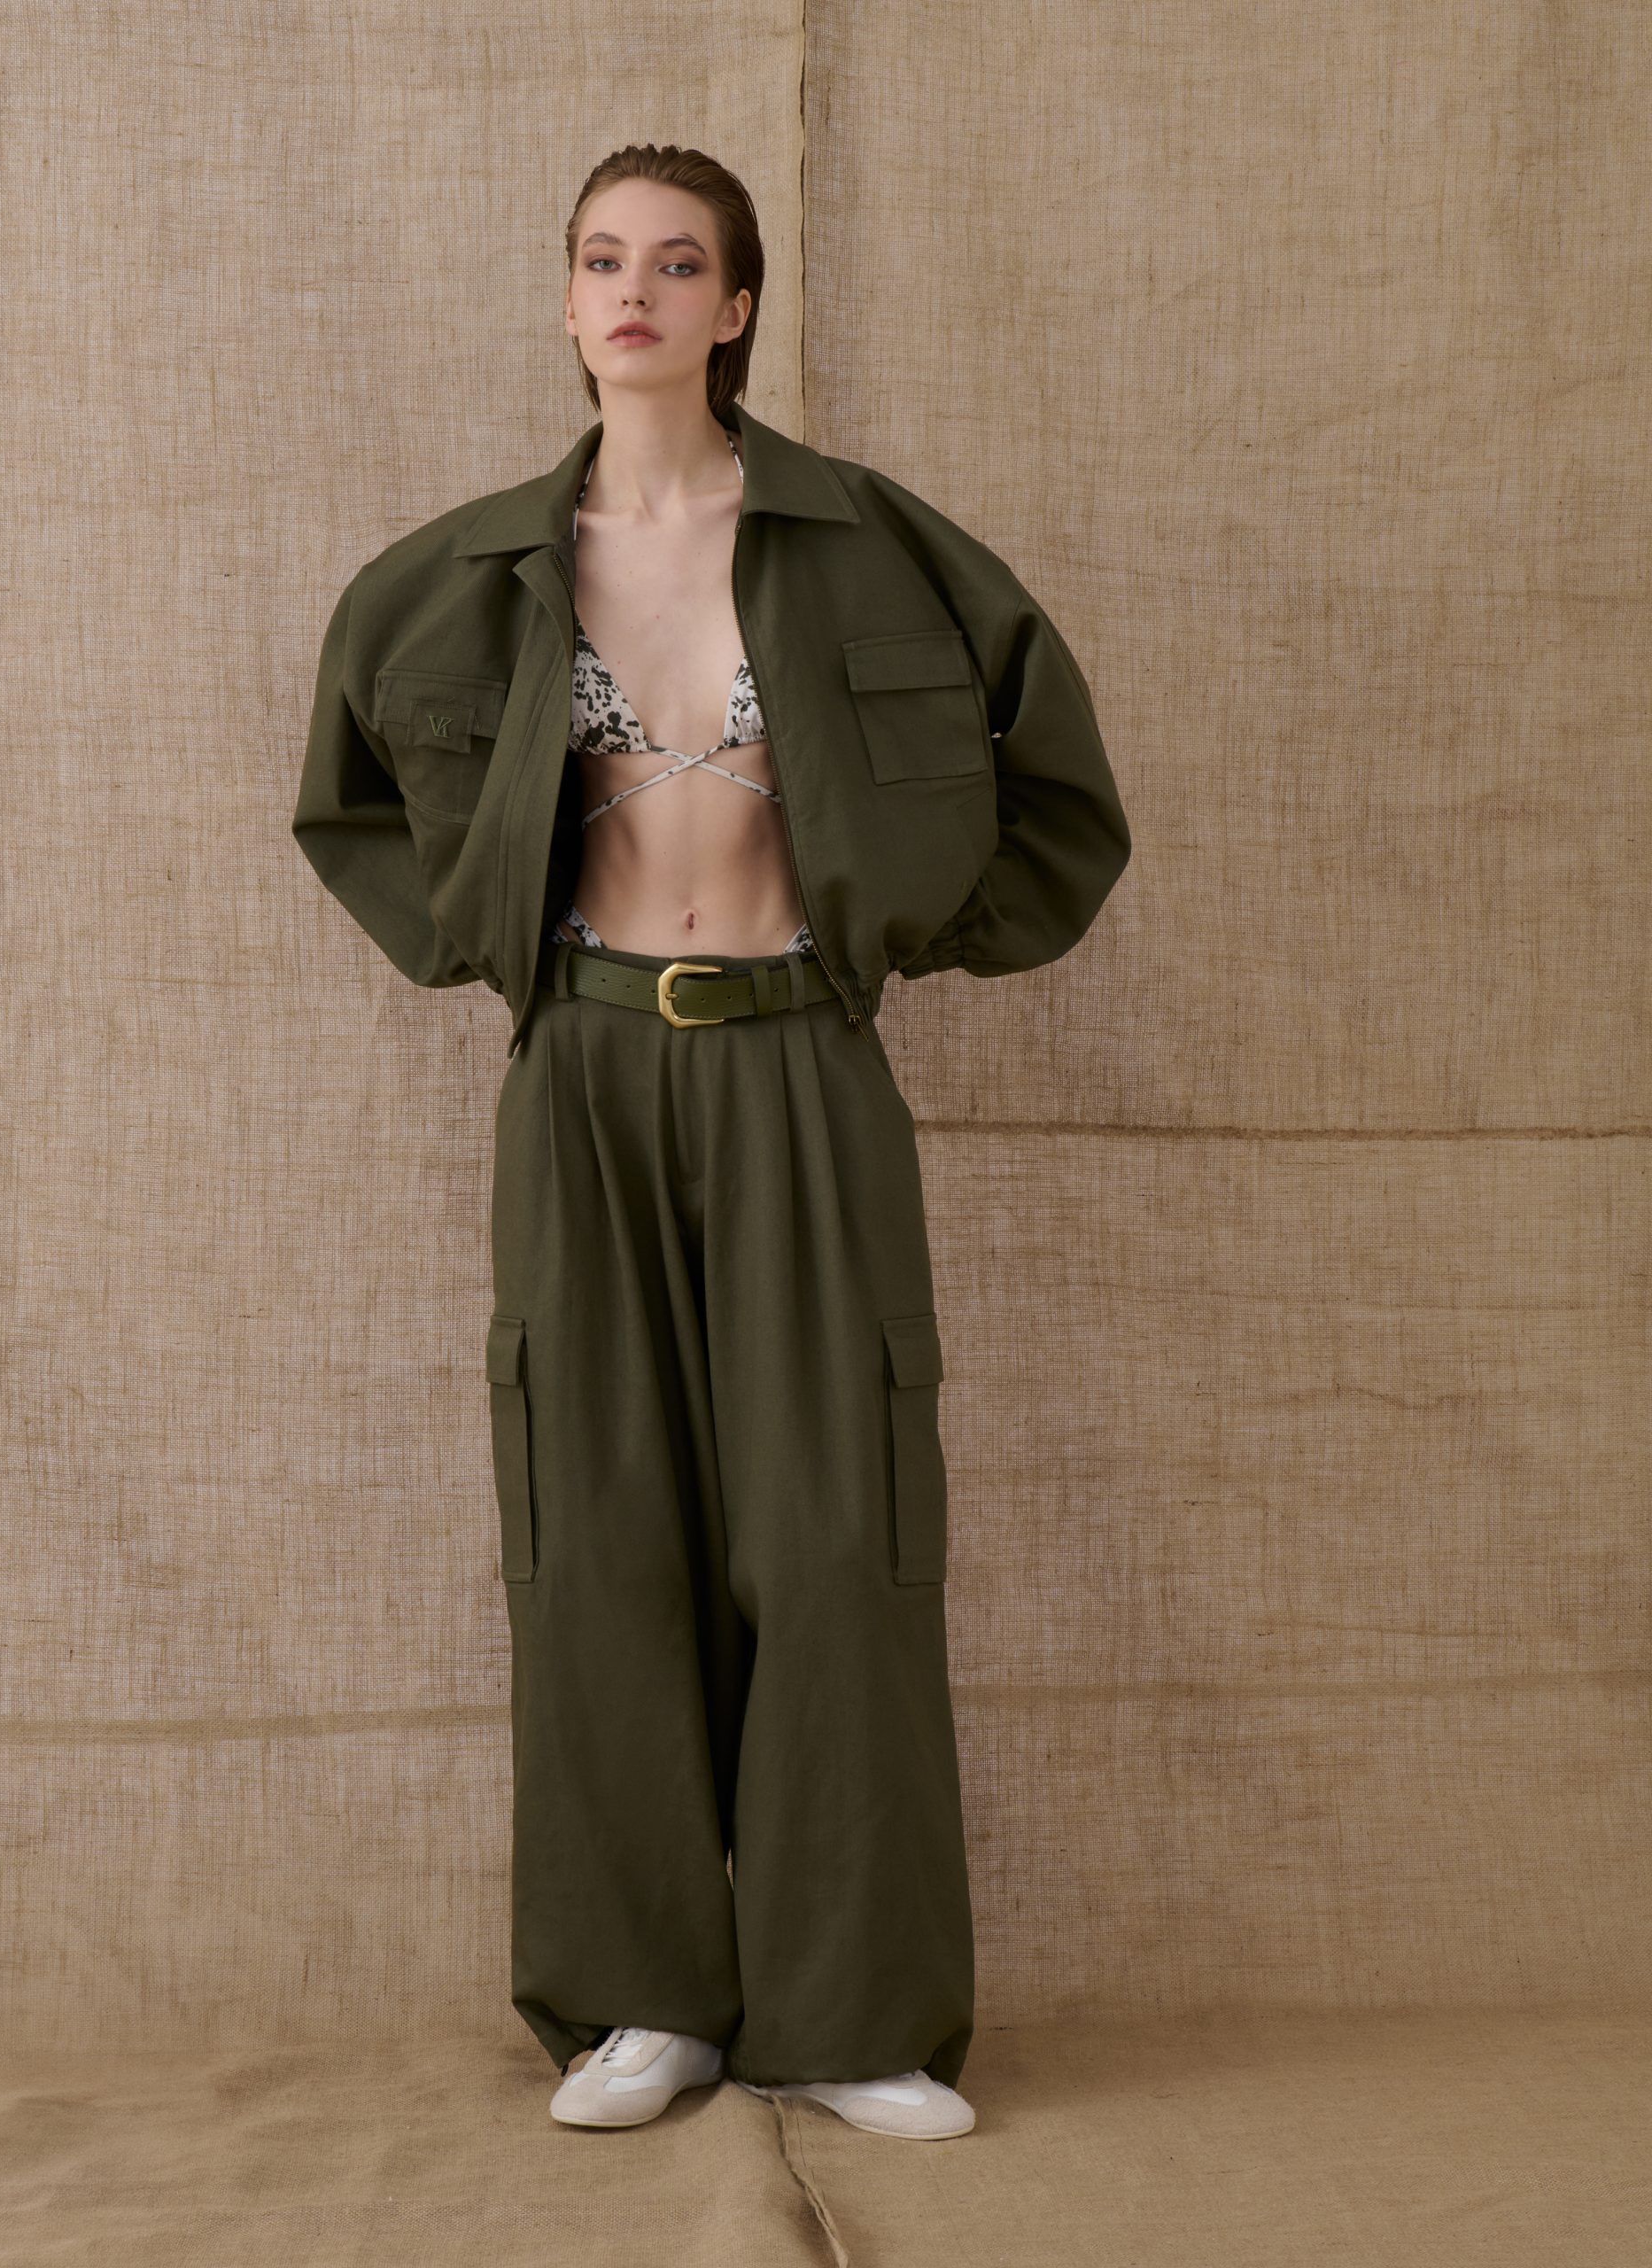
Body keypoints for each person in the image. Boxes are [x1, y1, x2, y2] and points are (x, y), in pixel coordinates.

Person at [292, 142, 1130, 2143]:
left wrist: (894, 937)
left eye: (680, 263)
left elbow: (1060, 802)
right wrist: (487, 940)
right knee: (596, 1527)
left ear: (738, 306)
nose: (637, 291)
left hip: (798, 1065)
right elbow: (350, 807)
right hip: (580, 1071)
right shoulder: (463, 574)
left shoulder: (874, 547)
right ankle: (639, 1999)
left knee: (838, 1533)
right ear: (567, 299)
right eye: (604, 259)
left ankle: (852, 2011)